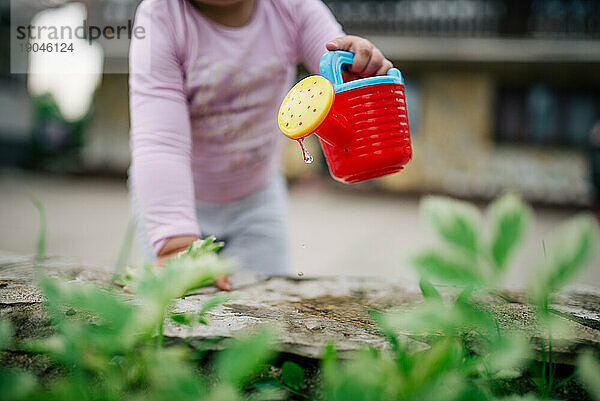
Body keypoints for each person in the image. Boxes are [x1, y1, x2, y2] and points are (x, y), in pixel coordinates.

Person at [128, 0, 394, 290]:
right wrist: (175, 245)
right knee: (182, 308)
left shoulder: (292, 7)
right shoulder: (162, 17)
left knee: (266, 300)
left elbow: (336, 74)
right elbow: (161, 142)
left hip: (257, 199)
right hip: (173, 202)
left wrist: (357, 70)